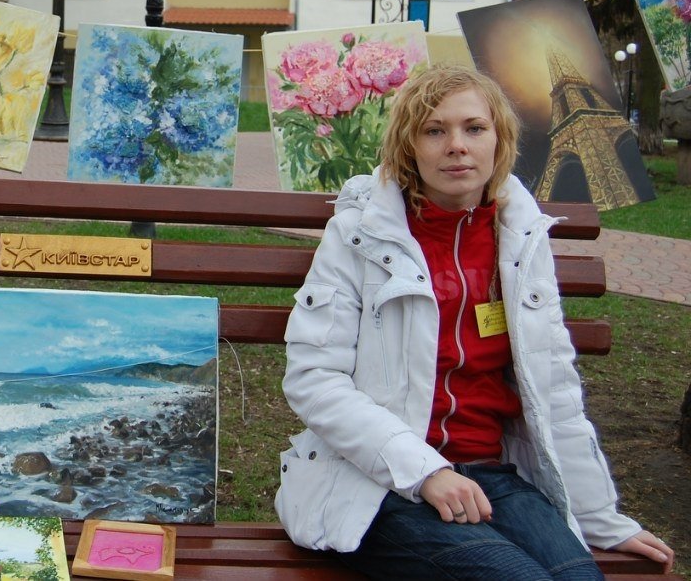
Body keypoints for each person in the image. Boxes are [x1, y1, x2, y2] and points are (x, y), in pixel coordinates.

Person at [275, 65, 675, 580]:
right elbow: (314, 379)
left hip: (492, 476)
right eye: (434, 131)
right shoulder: (359, 236)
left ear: (499, 140)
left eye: (474, 128)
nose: (457, 146)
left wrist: (598, 517)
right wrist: (426, 472)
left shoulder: (520, 239)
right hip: (378, 483)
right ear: (408, 148)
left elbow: (553, 388)